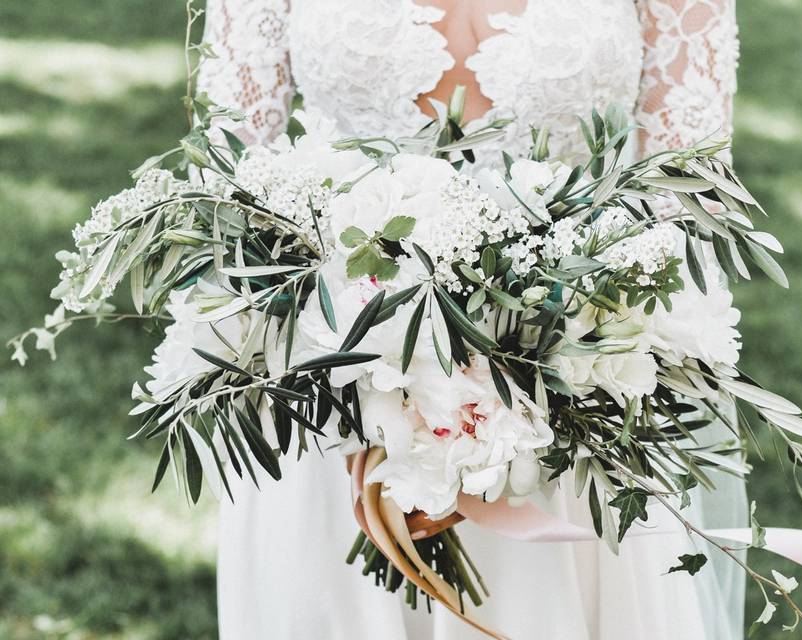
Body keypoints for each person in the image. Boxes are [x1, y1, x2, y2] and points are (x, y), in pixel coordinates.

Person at [198, 1, 746, 638]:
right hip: (325, 407)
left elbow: (685, 200)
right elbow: (228, 182)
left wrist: (524, 383)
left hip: (565, 417)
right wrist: (377, 392)